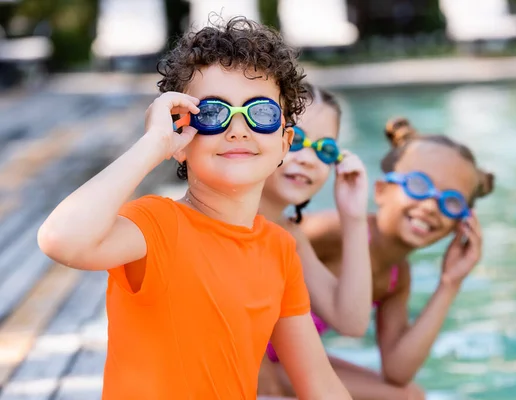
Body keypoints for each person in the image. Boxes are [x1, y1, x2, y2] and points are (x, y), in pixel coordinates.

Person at [37, 17, 351, 400]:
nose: (239, 129)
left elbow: (319, 384)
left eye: (262, 113)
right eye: (214, 113)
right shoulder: (157, 225)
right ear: (181, 139)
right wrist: (152, 145)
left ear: (285, 144)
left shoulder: (279, 250)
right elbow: (61, 239)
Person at [299, 117, 496, 399]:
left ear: (461, 224)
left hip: (285, 359)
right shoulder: (334, 231)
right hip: (245, 355)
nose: (430, 206)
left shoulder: (396, 277)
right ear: (380, 190)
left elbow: (397, 370)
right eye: (418, 185)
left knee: (409, 396)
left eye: (451, 202)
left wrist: (450, 282)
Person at [257, 84, 372, 396]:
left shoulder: (287, 235)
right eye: (295, 141)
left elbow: (351, 322)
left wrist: (354, 217)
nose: (309, 159)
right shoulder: (220, 223)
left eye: (325, 150)